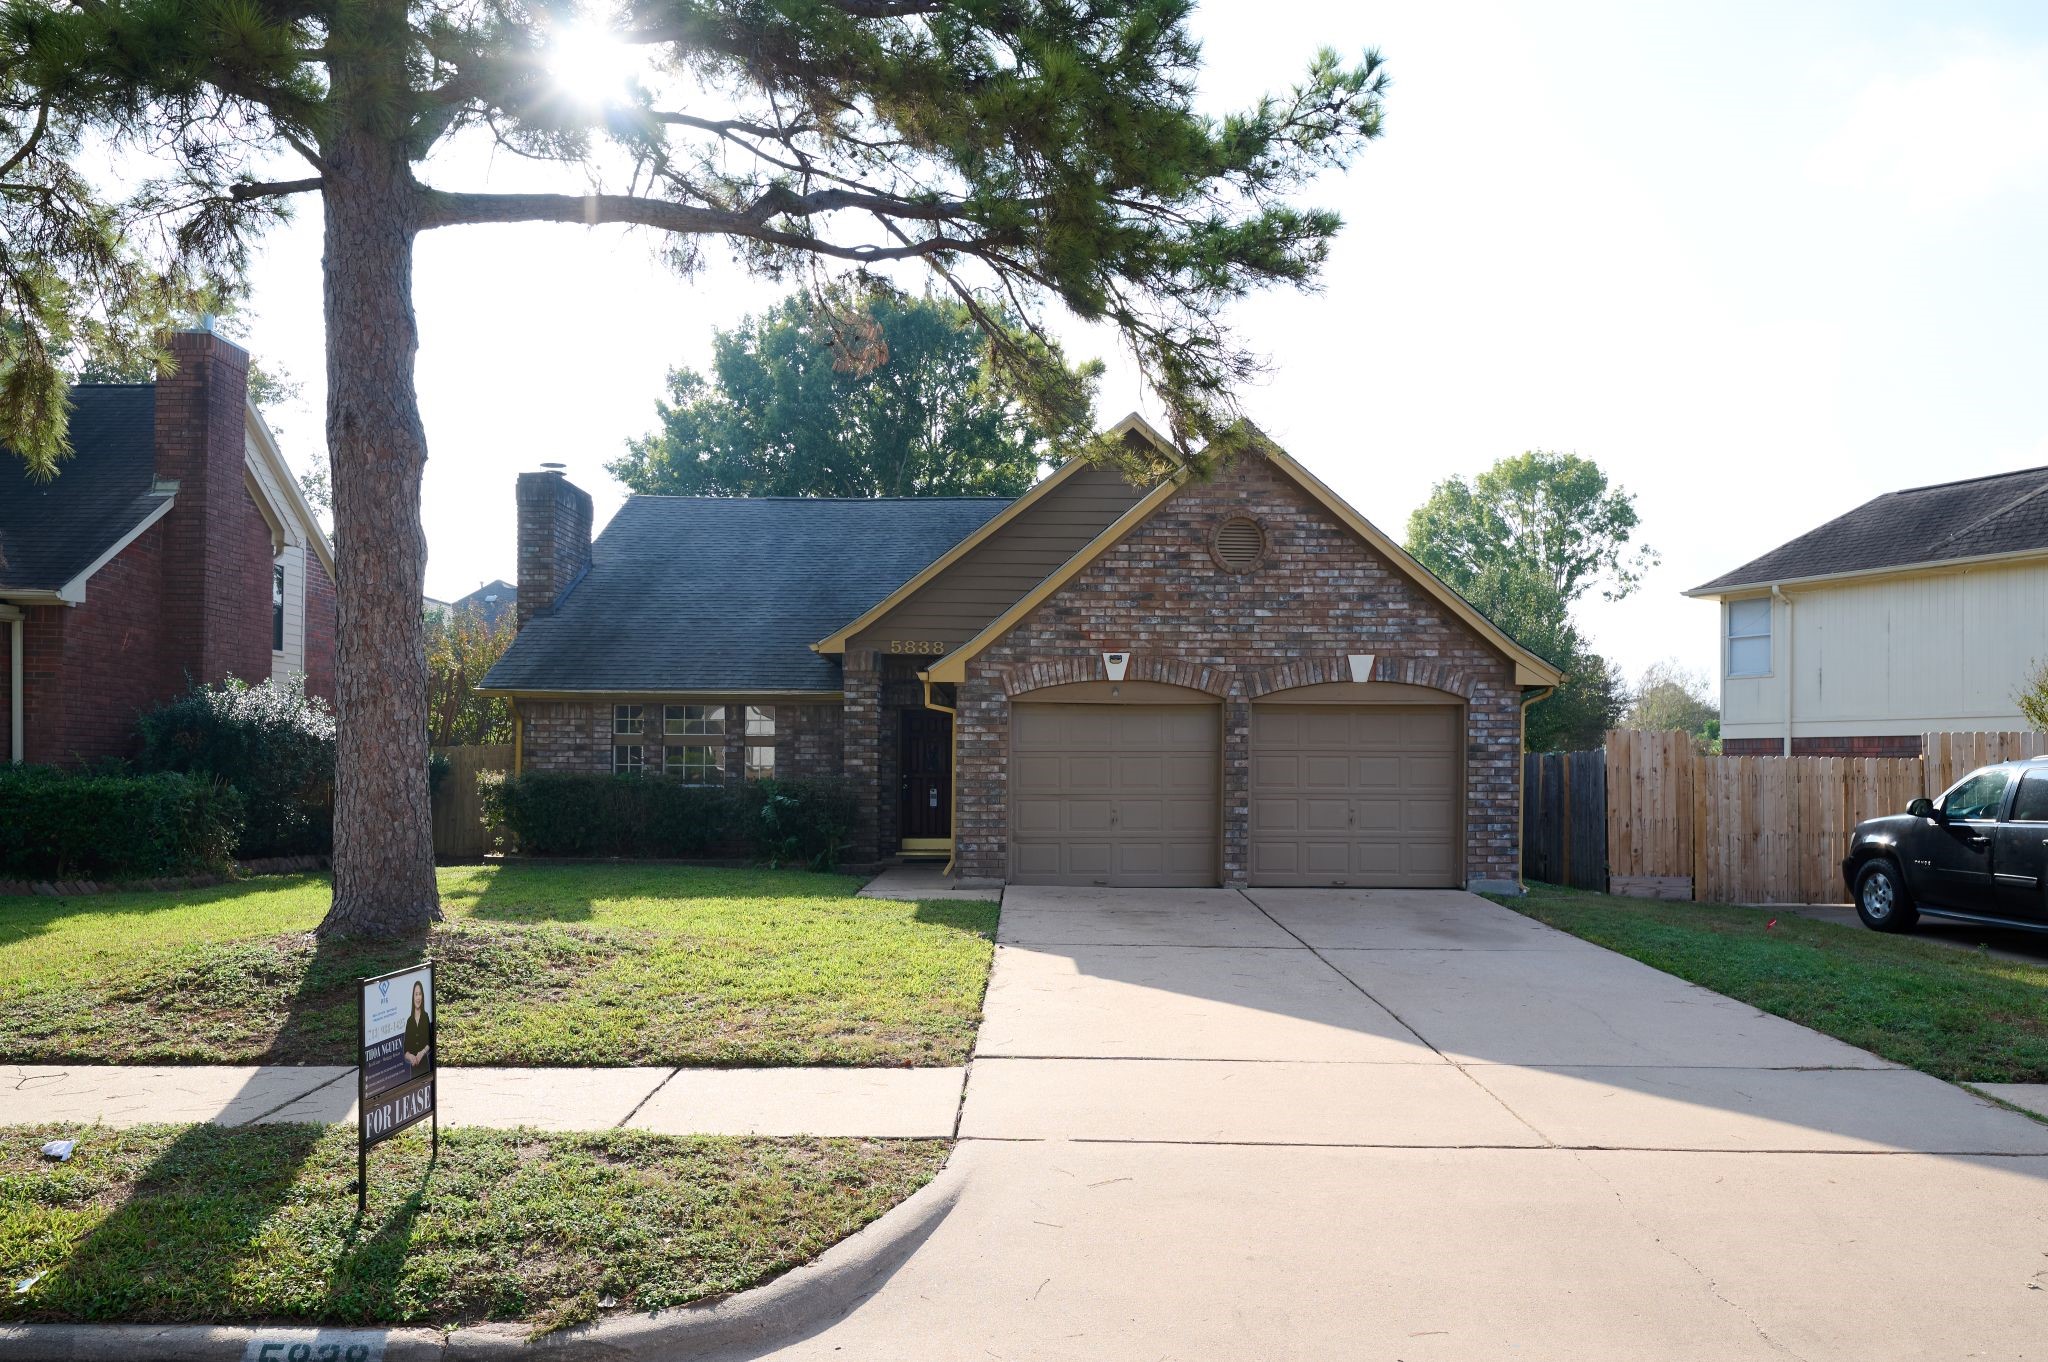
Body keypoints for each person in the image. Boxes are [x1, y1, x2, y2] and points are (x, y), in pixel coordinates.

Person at [402, 980, 433, 1077]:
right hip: (413, 1068)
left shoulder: (426, 1016)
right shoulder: (409, 1021)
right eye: (416, 994)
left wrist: (422, 1052)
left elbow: (430, 1042)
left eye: (420, 994)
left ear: (422, 996)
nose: (418, 997)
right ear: (413, 997)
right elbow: (405, 1050)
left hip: (424, 1065)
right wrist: (410, 1056)